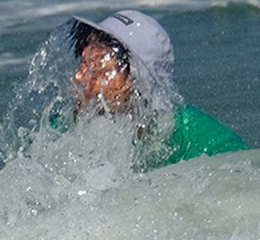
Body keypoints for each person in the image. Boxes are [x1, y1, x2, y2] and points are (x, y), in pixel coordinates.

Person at [67, 9, 246, 165]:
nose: (79, 76)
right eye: (82, 63)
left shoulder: (201, 139)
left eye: (96, 67)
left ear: (137, 80)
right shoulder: (64, 129)